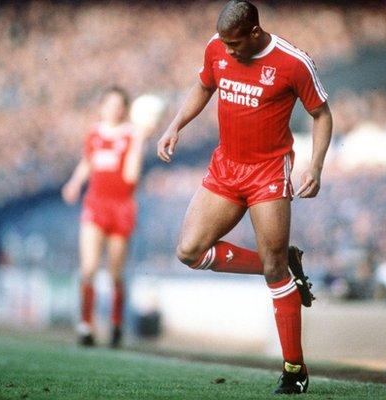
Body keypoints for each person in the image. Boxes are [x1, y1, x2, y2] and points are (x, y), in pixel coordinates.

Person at [157, 1, 333, 394]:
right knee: (190, 251)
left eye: (236, 44)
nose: (229, 51)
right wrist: (175, 126)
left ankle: (294, 370)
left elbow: (322, 114)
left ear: (255, 32)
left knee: (274, 274)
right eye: (225, 43)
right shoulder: (217, 47)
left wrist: (315, 166)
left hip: (268, 173)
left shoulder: (293, 62)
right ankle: (281, 266)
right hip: (226, 168)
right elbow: (204, 85)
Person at [63, 87, 153, 348]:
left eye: (119, 105)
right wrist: (74, 182)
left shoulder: (131, 135)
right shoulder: (94, 133)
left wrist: (138, 142)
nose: (115, 109)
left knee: (115, 273)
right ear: (102, 107)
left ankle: (115, 325)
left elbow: (131, 177)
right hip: (95, 204)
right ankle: (85, 326)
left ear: (125, 109)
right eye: (110, 104)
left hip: (122, 206)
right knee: (89, 268)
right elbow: (88, 161)